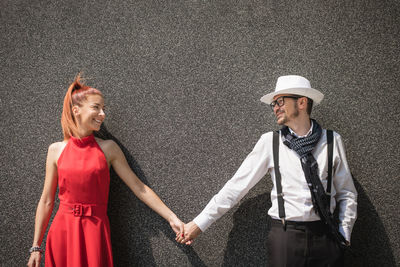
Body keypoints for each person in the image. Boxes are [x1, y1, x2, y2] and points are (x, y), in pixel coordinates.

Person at [179, 75, 357, 266]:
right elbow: (236, 186)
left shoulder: (332, 141)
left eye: (280, 101)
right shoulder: (270, 142)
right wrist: (200, 223)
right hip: (286, 239)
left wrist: (343, 235)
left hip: (326, 237)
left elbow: (347, 193)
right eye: (273, 104)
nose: (275, 108)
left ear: (302, 102)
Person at [27, 75, 185, 267]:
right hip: (63, 233)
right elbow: (46, 200)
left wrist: (171, 218)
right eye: (96, 107)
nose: (102, 114)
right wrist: (36, 247)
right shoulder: (55, 150)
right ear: (76, 110)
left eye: (104, 109)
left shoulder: (109, 148)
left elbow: (139, 187)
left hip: (95, 232)